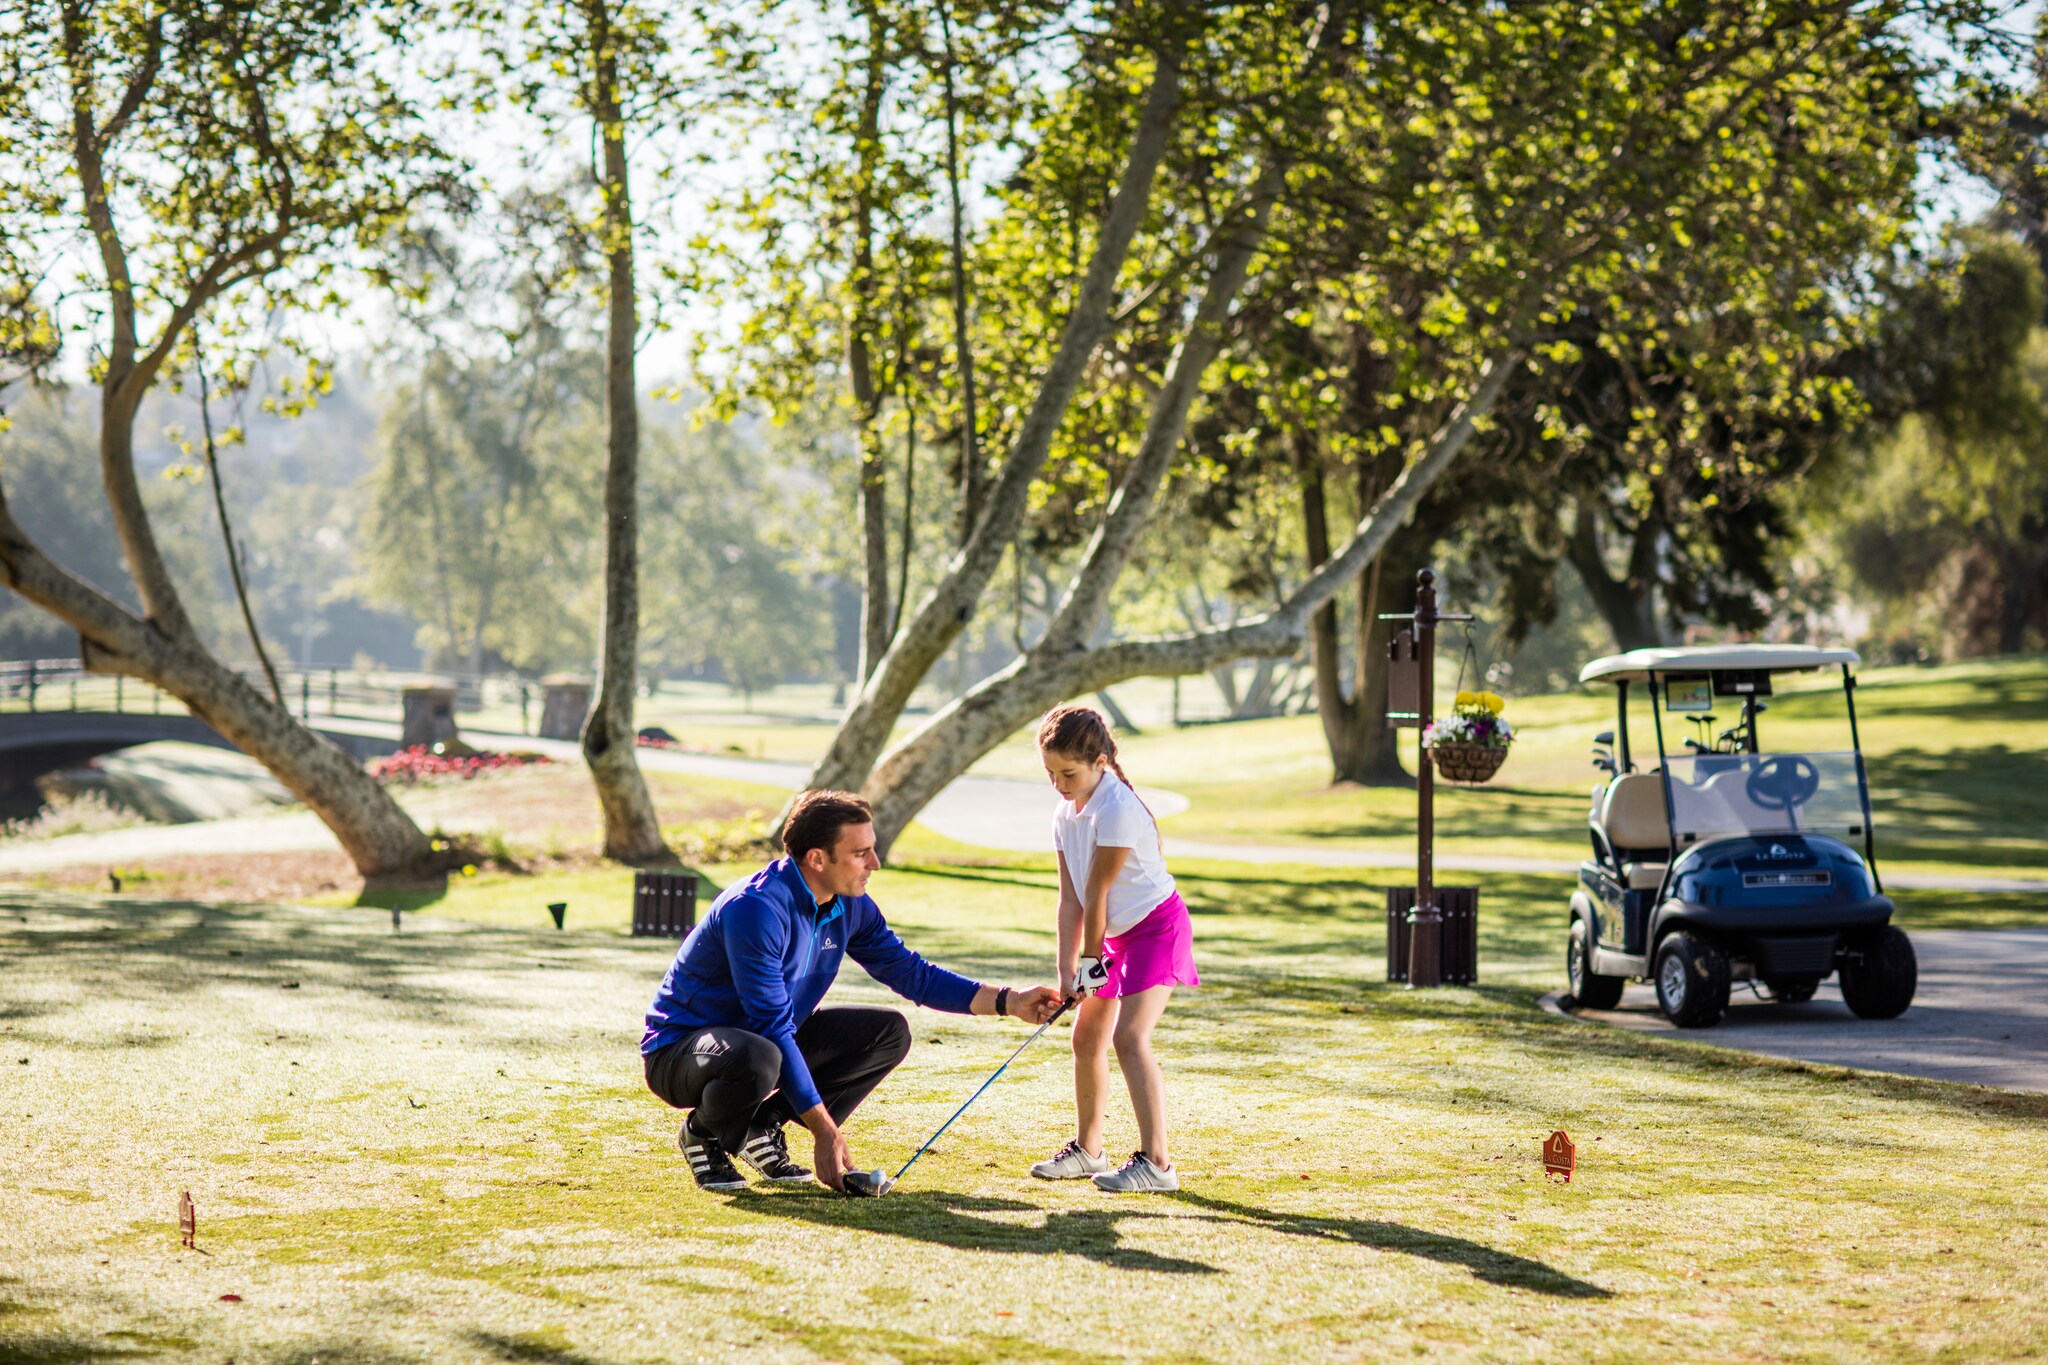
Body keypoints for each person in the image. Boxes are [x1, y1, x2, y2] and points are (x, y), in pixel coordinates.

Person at [642, 789, 1063, 1193]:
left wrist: (1010, 1002)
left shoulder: (851, 905)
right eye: (861, 853)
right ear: (817, 858)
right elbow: (769, 1025)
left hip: (761, 1044)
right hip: (680, 1053)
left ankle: (760, 1127)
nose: (875, 863)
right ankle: (703, 1135)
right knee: (759, 1054)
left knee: (887, 1033)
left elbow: (913, 974)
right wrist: (826, 1131)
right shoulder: (756, 908)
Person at [1029, 704, 1198, 1193]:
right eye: (1050, 774)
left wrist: (1090, 965)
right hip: (1113, 936)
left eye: (1068, 773)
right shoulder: (1066, 812)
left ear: (1100, 762)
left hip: (1156, 929)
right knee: (1085, 1038)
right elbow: (1071, 899)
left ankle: (1158, 1165)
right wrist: (1068, 974)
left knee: (1129, 1037)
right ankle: (1088, 1150)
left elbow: (1098, 896)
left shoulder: (1117, 807)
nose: (1059, 784)